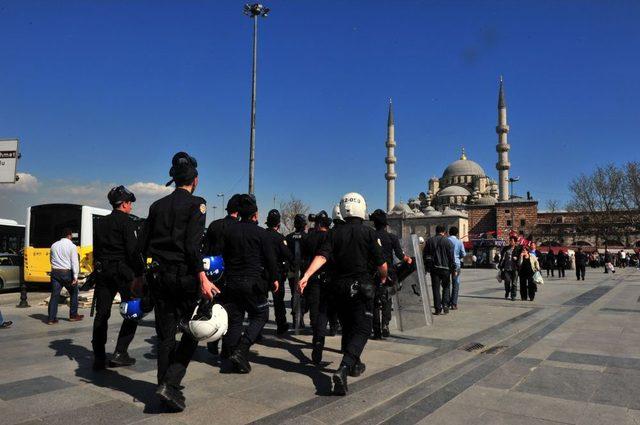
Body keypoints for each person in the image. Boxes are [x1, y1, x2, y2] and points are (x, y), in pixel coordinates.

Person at [138, 152, 219, 411]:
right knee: (193, 330)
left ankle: (164, 386)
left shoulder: (156, 207)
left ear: (173, 180)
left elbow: (142, 246)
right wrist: (203, 278)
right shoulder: (198, 204)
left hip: (159, 278)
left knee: (164, 336)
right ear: (195, 180)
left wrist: (140, 276)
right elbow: (193, 246)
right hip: (184, 277)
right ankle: (170, 384)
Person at [300, 192, 387, 396]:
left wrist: (306, 275)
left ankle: (355, 365)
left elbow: (322, 256)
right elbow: (381, 264)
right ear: (362, 209)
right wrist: (383, 277)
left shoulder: (333, 233)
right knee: (363, 329)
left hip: (337, 288)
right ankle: (345, 367)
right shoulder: (368, 233)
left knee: (348, 327)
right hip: (360, 288)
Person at [219, 194, 278, 374]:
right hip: (253, 283)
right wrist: (274, 278)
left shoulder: (228, 231)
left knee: (235, 319)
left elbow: (222, 255)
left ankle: (230, 356)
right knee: (260, 315)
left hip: (232, 282)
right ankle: (242, 349)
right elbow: (270, 260)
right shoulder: (261, 233)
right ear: (255, 215)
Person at [91, 185, 143, 370]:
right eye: (130, 204)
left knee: (102, 314)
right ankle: (120, 352)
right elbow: (133, 251)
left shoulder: (100, 223)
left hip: (103, 272)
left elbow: (96, 251)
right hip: (123, 272)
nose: (131, 207)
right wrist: (140, 273)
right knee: (133, 311)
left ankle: (98, 357)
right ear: (124, 204)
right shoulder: (127, 222)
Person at [204, 194, 241, 357]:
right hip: (232, 274)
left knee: (215, 308)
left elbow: (205, 248)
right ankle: (227, 348)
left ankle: (212, 340)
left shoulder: (214, 225)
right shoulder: (239, 228)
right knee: (232, 313)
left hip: (214, 275)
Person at [370, 209, 412, 337]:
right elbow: (400, 255)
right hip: (390, 273)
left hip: (373, 273)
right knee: (387, 300)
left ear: (374, 223)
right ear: (386, 224)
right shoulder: (392, 237)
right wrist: (408, 259)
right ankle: (385, 325)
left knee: (375, 302)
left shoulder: (370, 236)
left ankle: (376, 329)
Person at [301, 210, 332, 364]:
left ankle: (316, 336)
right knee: (323, 312)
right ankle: (320, 338)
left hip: (312, 278)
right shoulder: (331, 237)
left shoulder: (309, 237)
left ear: (318, 224)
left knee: (315, 311)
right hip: (327, 280)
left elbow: (304, 257)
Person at [264, 209, 292, 336]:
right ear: (278, 224)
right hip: (278, 274)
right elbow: (288, 255)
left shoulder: (261, 235)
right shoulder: (280, 238)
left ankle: (258, 327)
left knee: (261, 301)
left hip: (262, 273)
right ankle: (281, 325)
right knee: (278, 302)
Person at [48, 228, 84, 324]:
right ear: (69, 235)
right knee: (73, 292)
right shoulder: (72, 246)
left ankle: (51, 318)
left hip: (55, 272)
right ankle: (73, 315)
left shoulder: (54, 245)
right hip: (66, 273)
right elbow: (74, 262)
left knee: (54, 295)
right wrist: (75, 277)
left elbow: (50, 259)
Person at [423, 225, 456, 314]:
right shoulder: (448, 242)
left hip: (434, 269)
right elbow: (451, 257)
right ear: (444, 232)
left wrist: (426, 267)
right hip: (446, 269)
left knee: (435, 288)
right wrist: (453, 268)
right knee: (446, 287)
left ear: (436, 231)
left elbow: (425, 255)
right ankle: (445, 305)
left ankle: (437, 308)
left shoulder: (430, 241)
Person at [285, 214, 308, 329]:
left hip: (292, 270)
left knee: (295, 294)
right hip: (304, 271)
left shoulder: (288, 237)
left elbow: (285, 253)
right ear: (304, 225)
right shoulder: (307, 237)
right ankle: (300, 318)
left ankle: (295, 319)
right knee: (302, 294)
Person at [447, 226, 466, 311]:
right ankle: (454, 304)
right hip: (457, 264)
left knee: (446, 284)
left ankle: (446, 302)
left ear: (449, 232)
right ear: (457, 233)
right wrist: (458, 257)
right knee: (456, 284)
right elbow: (463, 254)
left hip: (447, 264)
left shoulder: (446, 241)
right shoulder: (459, 242)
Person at [499, 236, 519, 301]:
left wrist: (517, 258)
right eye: (510, 241)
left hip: (515, 268)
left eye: (512, 241)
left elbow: (521, 257)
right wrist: (500, 266)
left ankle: (513, 295)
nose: (511, 242)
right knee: (507, 282)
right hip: (506, 268)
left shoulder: (518, 249)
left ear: (515, 242)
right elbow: (502, 258)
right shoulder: (506, 249)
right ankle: (507, 292)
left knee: (514, 283)